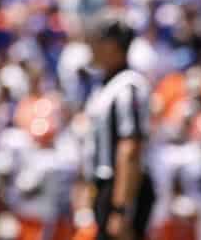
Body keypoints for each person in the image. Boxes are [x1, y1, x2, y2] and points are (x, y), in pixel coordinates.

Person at [83, 16, 156, 240]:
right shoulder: (105, 85)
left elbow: (130, 148)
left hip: (120, 188)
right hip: (107, 187)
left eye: (96, 41)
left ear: (112, 45)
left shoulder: (128, 87)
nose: (91, 47)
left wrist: (121, 208)